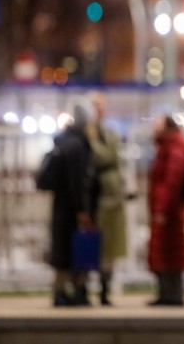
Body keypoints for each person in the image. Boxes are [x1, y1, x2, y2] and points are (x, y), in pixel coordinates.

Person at [49, 96, 98, 307]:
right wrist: (83, 210)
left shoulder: (64, 141)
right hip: (73, 207)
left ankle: (62, 291)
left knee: (63, 249)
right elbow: (78, 181)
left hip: (61, 205)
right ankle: (73, 291)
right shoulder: (78, 145)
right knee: (76, 249)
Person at [86, 91, 128, 306]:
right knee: (94, 244)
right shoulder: (89, 133)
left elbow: (113, 158)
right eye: (97, 106)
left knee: (110, 248)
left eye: (102, 105)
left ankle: (105, 289)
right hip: (98, 197)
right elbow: (102, 156)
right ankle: (86, 287)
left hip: (113, 197)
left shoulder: (107, 132)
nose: (101, 110)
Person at [147, 115, 184, 306]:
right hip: (165, 208)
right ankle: (166, 293)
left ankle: (172, 294)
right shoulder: (168, 147)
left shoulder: (174, 148)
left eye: (157, 125)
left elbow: (172, 181)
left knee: (170, 251)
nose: (153, 129)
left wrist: (162, 208)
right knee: (164, 251)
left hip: (169, 211)